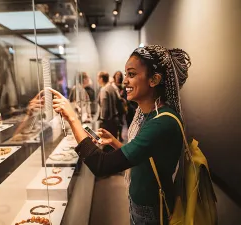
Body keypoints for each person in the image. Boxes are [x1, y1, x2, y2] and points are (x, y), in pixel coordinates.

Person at [31, 45, 191, 224]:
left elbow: (101, 165)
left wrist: (72, 118)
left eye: (131, 74)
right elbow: (144, 157)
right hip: (142, 204)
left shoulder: (161, 123)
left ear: (154, 79)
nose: (125, 81)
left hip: (151, 209)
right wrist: (116, 143)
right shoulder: (152, 116)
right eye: (126, 74)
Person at [97, 71, 119, 139]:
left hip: (107, 122)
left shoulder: (104, 89)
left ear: (101, 79)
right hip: (114, 120)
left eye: (98, 78)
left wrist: (102, 121)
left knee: (107, 145)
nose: (97, 80)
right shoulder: (112, 87)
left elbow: (104, 107)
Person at [113, 71, 126, 142]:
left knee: (121, 122)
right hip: (115, 106)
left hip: (121, 107)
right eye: (117, 75)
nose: (118, 77)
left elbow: (125, 97)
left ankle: (120, 136)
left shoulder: (122, 86)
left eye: (119, 75)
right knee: (116, 123)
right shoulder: (113, 86)